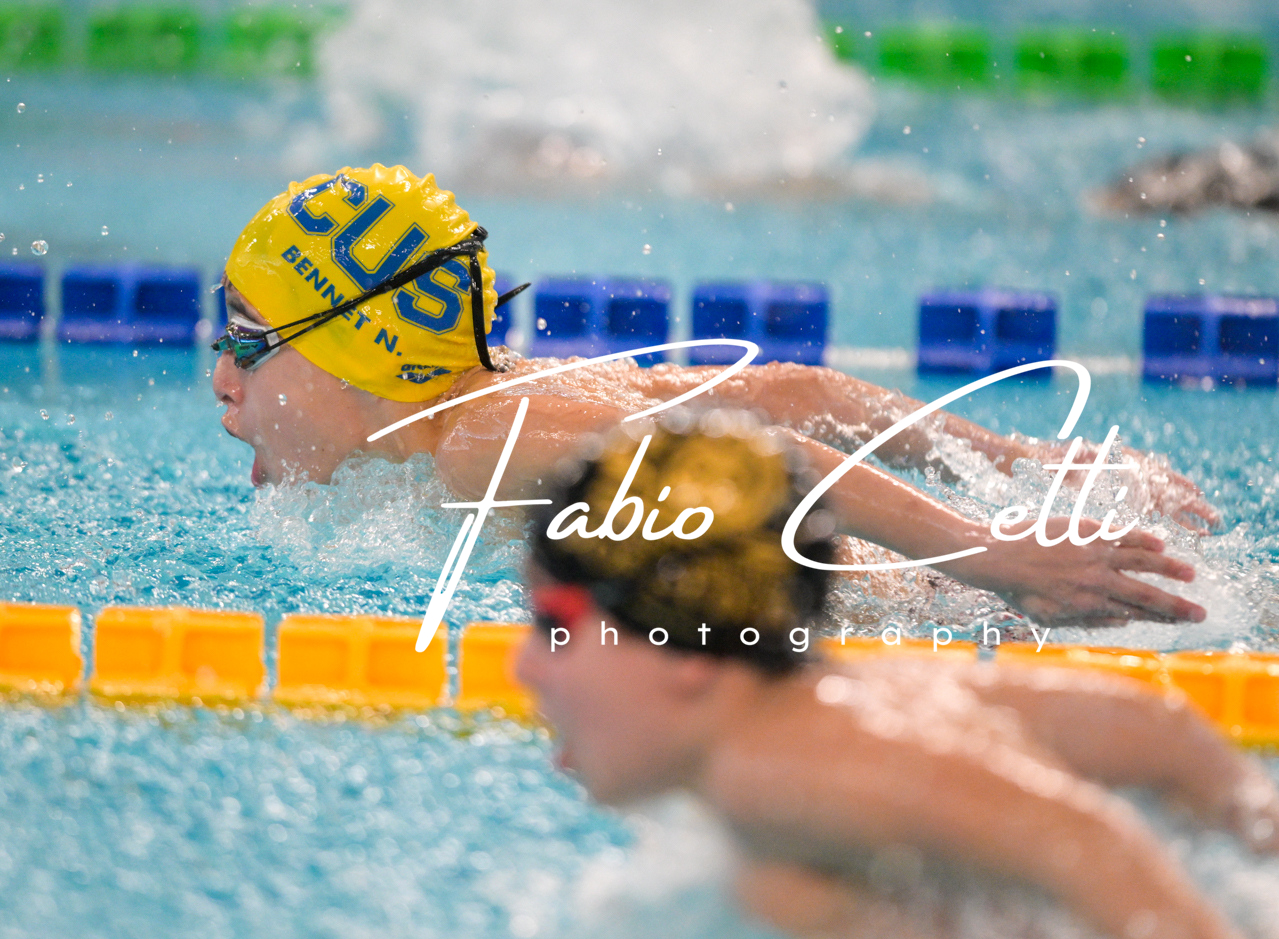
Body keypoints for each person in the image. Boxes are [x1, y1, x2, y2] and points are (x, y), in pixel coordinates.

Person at [515, 411, 1279, 939]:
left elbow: (1084, 838)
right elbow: (1154, 728)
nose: (524, 665)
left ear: (687, 648)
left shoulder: (774, 772)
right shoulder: (846, 697)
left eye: (555, 626)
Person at [214, 163, 1217, 627]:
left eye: (248, 344)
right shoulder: (503, 398)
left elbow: (768, 456)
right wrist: (1022, 459)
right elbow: (787, 391)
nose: (221, 379)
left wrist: (996, 557)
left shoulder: (481, 446)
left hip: (924, 610)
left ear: (356, 353)